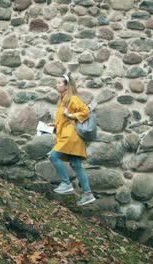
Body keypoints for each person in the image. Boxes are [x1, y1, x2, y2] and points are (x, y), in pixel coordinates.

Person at [48, 73, 96, 206]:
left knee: (53, 156)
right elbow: (64, 119)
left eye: (59, 83)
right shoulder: (63, 100)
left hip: (71, 137)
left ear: (67, 85)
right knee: (76, 165)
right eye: (56, 83)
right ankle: (88, 194)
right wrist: (55, 124)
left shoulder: (73, 99)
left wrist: (69, 114)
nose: (56, 85)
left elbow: (85, 112)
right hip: (69, 136)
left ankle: (66, 183)